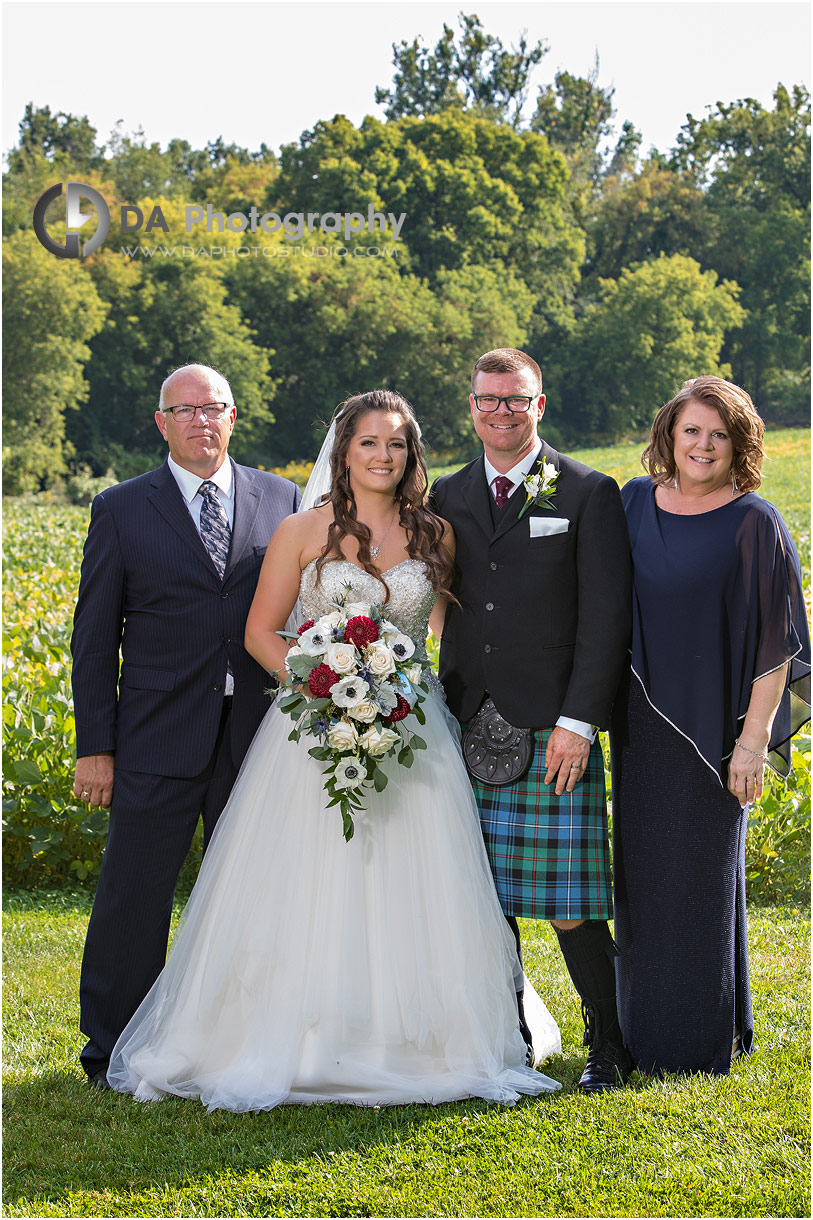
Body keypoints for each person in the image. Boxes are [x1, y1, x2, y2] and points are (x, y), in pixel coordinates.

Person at [106, 389, 562, 1110]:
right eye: (369, 444)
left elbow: (446, 633)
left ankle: (422, 1039)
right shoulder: (300, 530)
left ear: (411, 455)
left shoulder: (435, 534)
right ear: (343, 451)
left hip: (417, 736)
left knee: (416, 879)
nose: (384, 457)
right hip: (312, 734)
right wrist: (326, 686)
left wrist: (403, 691)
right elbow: (262, 632)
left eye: (398, 445)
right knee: (309, 881)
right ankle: (295, 1033)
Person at [71, 363, 301, 1089]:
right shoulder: (121, 508)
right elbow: (92, 636)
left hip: (257, 739)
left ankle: (239, 1038)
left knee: (253, 897)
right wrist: (96, 747)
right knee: (133, 898)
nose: (203, 422)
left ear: (234, 417)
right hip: (156, 735)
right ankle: (110, 1048)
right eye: (186, 411)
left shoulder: (282, 498)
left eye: (215, 409)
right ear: (161, 423)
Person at [429, 348, 633, 1093]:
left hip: (553, 726)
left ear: (538, 405)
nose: (500, 411)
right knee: (484, 900)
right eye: (488, 399)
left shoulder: (585, 491)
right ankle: (507, 1034)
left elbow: (605, 619)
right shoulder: (446, 495)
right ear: (471, 407)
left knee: (572, 906)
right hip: (460, 724)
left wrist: (580, 721)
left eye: (515, 399)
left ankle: (608, 1043)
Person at [609, 375, 811, 1076]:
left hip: (717, 730)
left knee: (700, 878)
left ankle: (694, 1043)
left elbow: (774, 646)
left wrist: (752, 744)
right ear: (668, 433)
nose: (702, 445)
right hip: (639, 725)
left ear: (738, 446)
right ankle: (639, 1034)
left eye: (717, 435)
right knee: (642, 879)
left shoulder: (754, 522)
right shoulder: (632, 502)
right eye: (691, 430)